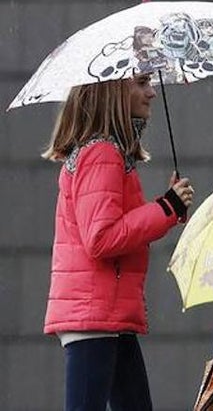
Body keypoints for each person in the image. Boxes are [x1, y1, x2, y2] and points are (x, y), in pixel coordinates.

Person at [42, 73, 196, 411]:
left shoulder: (105, 152)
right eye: (141, 83)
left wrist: (168, 207)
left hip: (106, 315)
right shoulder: (102, 153)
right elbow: (102, 238)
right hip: (94, 315)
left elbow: (116, 227)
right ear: (112, 91)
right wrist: (166, 206)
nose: (152, 93)